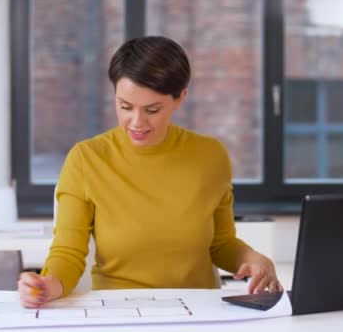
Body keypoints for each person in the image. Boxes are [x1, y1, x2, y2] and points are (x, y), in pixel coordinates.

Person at [18, 36, 282, 308]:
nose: (137, 122)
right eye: (125, 107)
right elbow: (68, 252)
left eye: (152, 110)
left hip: (200, 311)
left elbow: (220, 244)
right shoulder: (87, 159)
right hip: (120, 312)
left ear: (180, 97)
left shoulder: (210, 156)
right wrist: (49, 284)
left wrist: (252, 259)